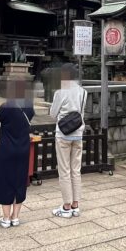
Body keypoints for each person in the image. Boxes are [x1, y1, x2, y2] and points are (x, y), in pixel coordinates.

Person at [0, 80, 35, 228]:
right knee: (20, 180)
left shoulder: (5, 107)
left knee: (5, 180)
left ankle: (5, 218)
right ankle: (15, 217)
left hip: (6, 149)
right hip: (23, 148)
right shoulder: (29, 107)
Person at [49, 64, 86, 218]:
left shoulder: (60, 92)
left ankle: (66, 206)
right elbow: (81, 113)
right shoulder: (83, 92)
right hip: (78, 134)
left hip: (63, 134)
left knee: (64, 170)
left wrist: (60, 118)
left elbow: (52, 114)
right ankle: (75, 205)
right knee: (76, 170)